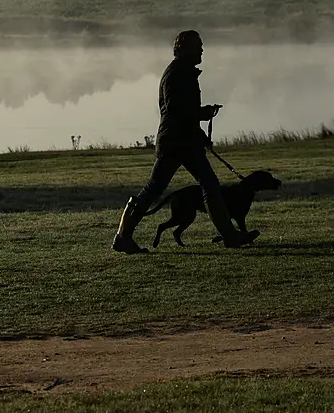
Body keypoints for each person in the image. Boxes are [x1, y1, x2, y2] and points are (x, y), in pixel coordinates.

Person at [111, 30, 260, 254]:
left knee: (206, 185)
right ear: (185, 49)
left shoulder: (183, 72)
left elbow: (182, 113)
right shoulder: (177, 74)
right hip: (177, 143)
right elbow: (176, 112)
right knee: (160, 189)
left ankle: (230, 236)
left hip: (182, 141)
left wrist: (200, 128)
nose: (202, 50)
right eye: (198, 46)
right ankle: (122, 237)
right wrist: (202, 114)